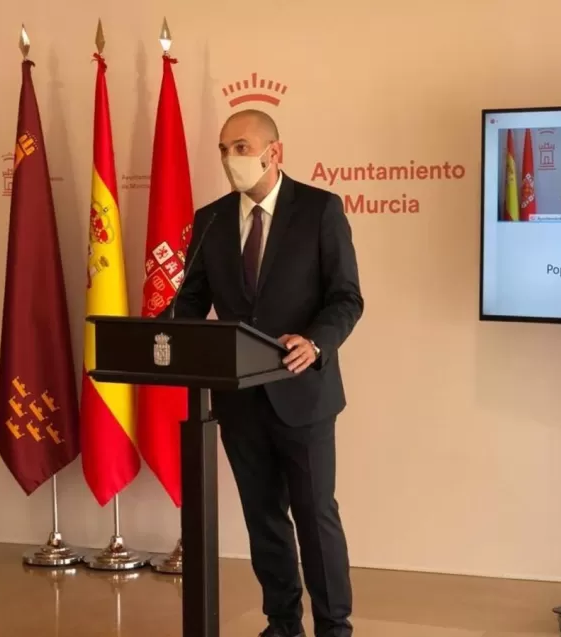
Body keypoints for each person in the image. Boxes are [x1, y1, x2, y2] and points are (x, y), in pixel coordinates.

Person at [172, 109, 364, 637]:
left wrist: (316, 341)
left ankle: (334, 628)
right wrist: (165, 334)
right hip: (239, 400)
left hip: (303, 393)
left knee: (315, 518)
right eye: (223, 148)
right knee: (264, 519)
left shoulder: (319, 210)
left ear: (273, 152)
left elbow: (346, 298)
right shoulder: (211, 219)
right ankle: (282, 624)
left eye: (240, 147)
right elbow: (190, 303)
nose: (229, 158)